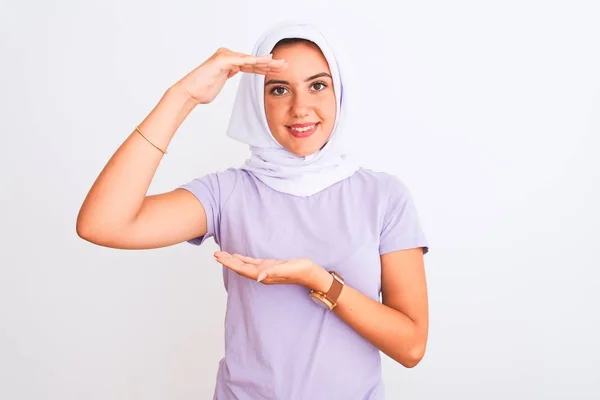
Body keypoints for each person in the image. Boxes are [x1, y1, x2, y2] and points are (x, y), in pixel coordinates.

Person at [76, 21, 430, 400]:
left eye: (317, 85)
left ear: (339, 90)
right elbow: (103, 224)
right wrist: (182, 97)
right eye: (279, 89)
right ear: (256, 101)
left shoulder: (383, 196)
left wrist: (320, 281)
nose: (300, 108)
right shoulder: (227, 192)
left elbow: (410, 347)